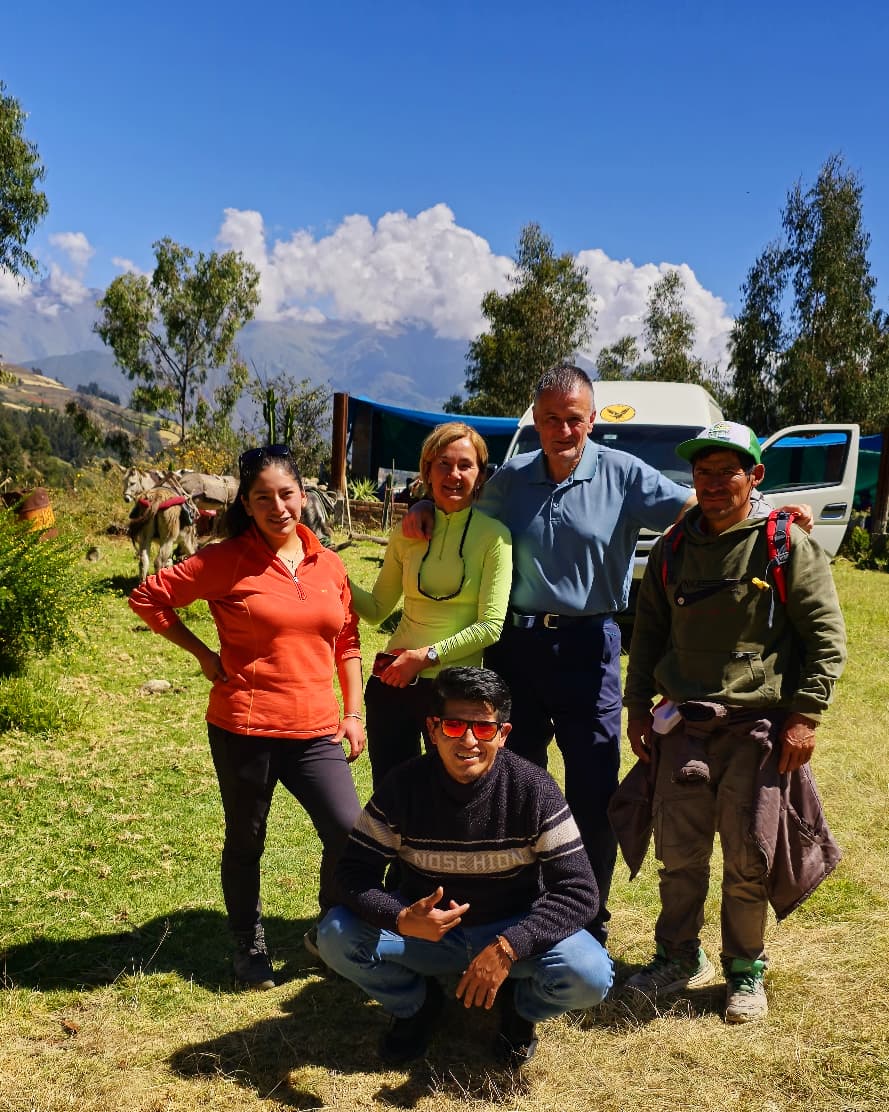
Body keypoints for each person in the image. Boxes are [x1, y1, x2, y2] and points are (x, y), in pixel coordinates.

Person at [404, 365, 694, 943]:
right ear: (536, 421)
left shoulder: (624, 475)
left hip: (590, 646)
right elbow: (457, 498)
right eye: (551, 419)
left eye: (574, 419)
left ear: (592, 419)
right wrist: (423, 508)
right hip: (517, 647)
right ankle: (528, 906)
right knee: (518, 780)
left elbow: (698, 506)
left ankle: (588, 915)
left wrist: (768, 513)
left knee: (593, 783)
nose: (563, 430)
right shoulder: (509, 479)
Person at [620, 421, 846, 1023]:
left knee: (749, 856)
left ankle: (744, 970)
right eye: (704, 472)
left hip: (755, 731)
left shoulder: (783, 544)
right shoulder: (671, 549)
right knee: (680, 853)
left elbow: (825, 636)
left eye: (728, 472)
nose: (715, 484)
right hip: (682, 729)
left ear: (755, 476)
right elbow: (647, 636)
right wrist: (638, 707)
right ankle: (678, 957)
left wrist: (804, 716)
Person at [129, 444, 365, 989]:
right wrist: (203, 655)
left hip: (317, 731)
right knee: (246, 839)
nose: (277, 506)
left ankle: (328, 930)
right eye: (263, 498)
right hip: (246, 728)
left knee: (350, 834)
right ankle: (247, 943)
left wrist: (354, 713)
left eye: (286, 494)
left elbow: (347, 640)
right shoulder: (225, 559)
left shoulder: (328, 564)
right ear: (247, 503)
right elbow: (148, 598)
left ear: (302, 496)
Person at [317, 666, 613, 1066]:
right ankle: (417, 1006)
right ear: (433, 729)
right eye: (454, 726)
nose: (469, 741)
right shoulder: (402, 787)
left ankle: (520, 1012)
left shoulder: (534, 790)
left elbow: (579, 892)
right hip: (426, 935)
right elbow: (352, 874)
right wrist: (402, 917)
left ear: (504, 734)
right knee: (335, 936)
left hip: (511, 928)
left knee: (591, 975)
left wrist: (509, 947)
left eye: (484, 728)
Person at [350, 422, 512, 788]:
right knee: (394, 796)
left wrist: (424, 658)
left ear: (481, 474)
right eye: (442, 464)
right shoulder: (407, 532)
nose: (453, 474)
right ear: (426, 471)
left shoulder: (495, 538)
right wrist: (333, 575)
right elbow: (377, 609)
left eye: (465, 465)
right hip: (392, 683)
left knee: (455, 794)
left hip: (455, 693)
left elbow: (491, 626)